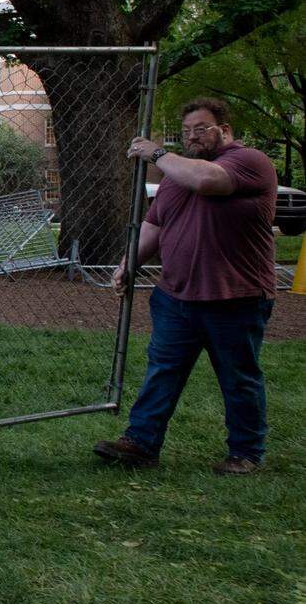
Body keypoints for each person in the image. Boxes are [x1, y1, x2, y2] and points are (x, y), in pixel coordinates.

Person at [95, 97, 277, 475]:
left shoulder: (249, 162)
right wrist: (128, 265)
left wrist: (156, 151)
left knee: (238, 377)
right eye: (187, 131)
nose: (192, 136)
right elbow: (155, 226)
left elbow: (208, 181)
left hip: (235, 298)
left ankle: (246, 452)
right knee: (163, 370)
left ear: (224, 130)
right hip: (175, 297)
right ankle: (141, 443)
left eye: (201, 129)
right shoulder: (175, 177)